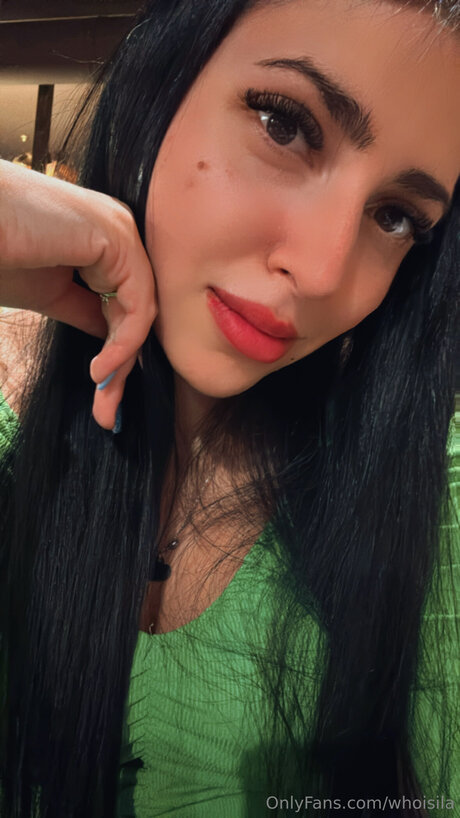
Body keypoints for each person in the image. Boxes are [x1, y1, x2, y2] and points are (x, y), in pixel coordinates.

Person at [0, 0, 459, 815]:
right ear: (162, 82)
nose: (324, 271)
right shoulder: (15, 429)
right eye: (285, 125)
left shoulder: (435, 504)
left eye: (395, 218)